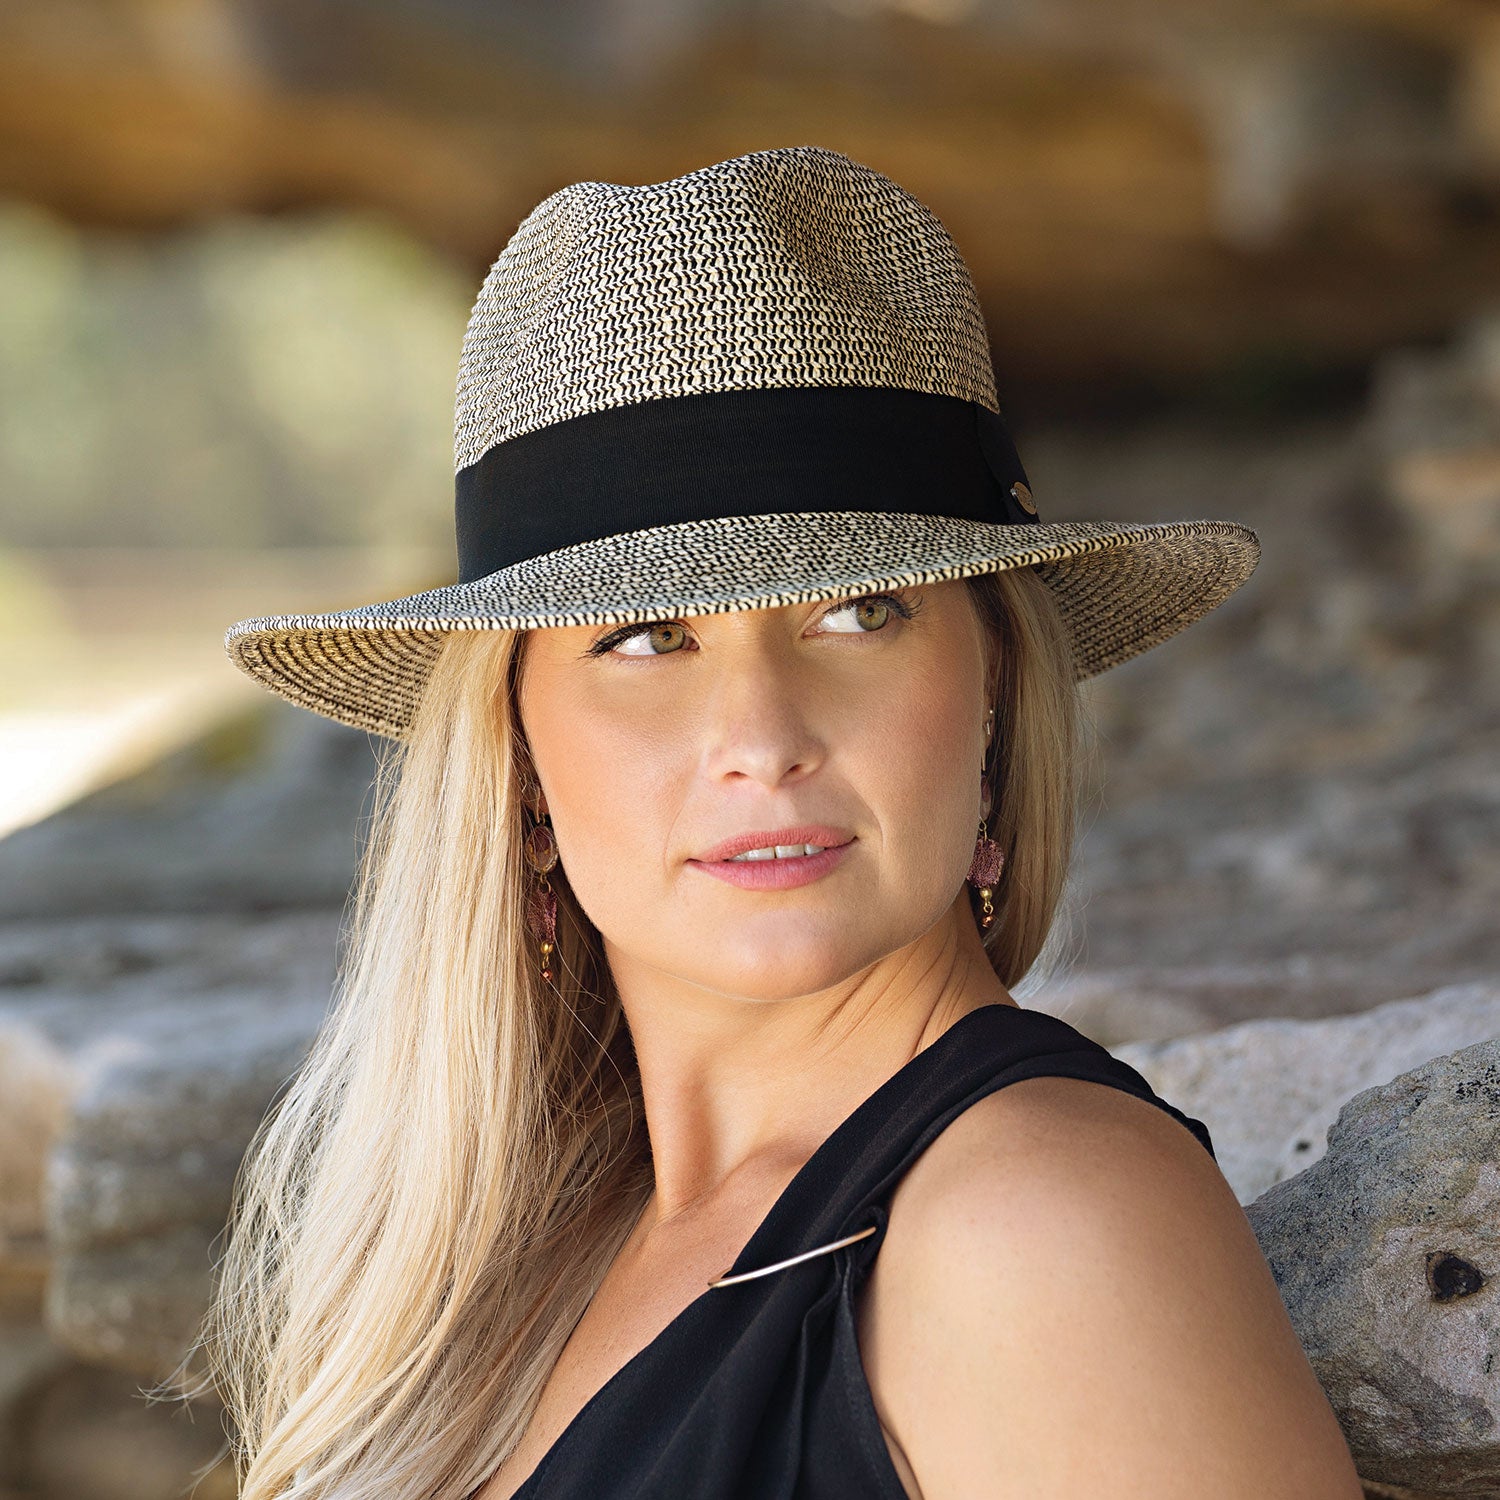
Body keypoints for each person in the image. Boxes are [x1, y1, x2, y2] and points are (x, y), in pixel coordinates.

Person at [204, 146, 1366, 1498]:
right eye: (647, 638)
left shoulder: (1040, 1226)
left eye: (861, 614)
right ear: (517, 770)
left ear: (992, 703)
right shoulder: (510, 1263)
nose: (762, 740)